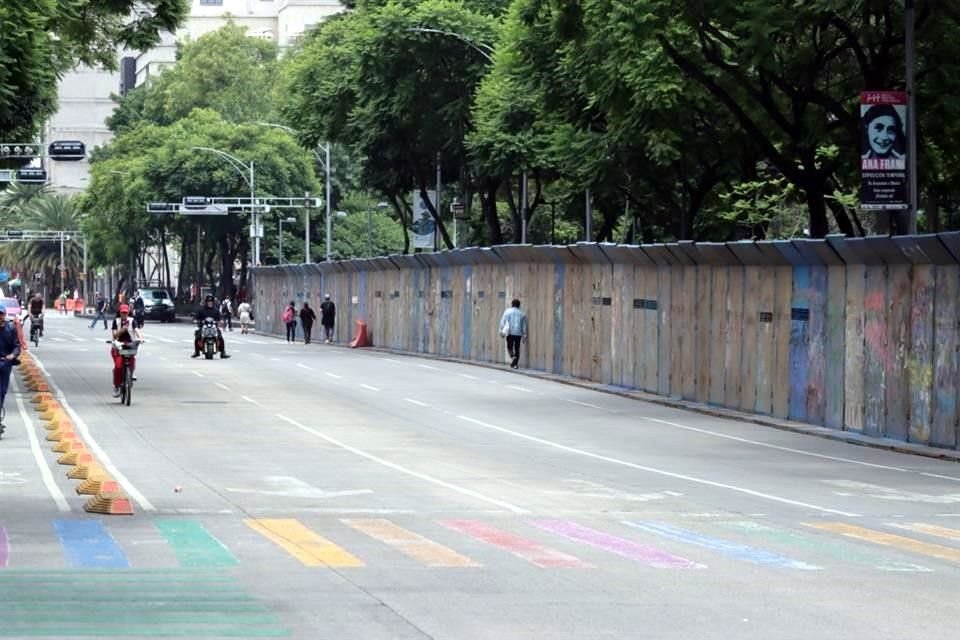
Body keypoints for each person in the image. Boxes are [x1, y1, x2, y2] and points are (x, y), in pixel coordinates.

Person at [110, 304, 143, 397]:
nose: (124, 314)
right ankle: (117, 385)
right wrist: (123, 330)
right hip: (118, 346)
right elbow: (115, 335)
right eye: (122, 312)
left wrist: (141, 338)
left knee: (131, 360)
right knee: (118, 366)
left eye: (126, 312)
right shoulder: (116, 321)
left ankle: (130, 374)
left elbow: (136, 330)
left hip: (129, 345)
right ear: (119, 313)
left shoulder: (132, 321)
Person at [0, 304, 21, 435]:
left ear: (4, 315)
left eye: (1, 314)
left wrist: (12, 355)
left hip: (5, 363)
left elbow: (17, 346)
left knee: (1, 392)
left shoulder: (11, 328)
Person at [192, 294, 230, 359]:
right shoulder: (201, 310)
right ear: (206, 302)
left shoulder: (216, 310)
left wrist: (221, 321)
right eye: (208, 302)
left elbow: (220, 317)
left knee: (220, 337)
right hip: (203, 327)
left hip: (213, 327)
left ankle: (223, 352)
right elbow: (196, 317)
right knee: (197, 337)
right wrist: (196, 320)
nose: (210, 303)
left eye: (211, 302)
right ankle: (197, 351)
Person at [499, 298, 528, 369]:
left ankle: (513, 357)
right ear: (519, 305)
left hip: (510, 332)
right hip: (518, 333)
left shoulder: (507, 312)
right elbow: (524, 326)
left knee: (509, 347)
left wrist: (501, 332)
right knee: (517, 348)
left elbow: (502, 322)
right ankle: (515, 364)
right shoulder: (522, 314)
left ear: (512, 304)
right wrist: (524, 335)